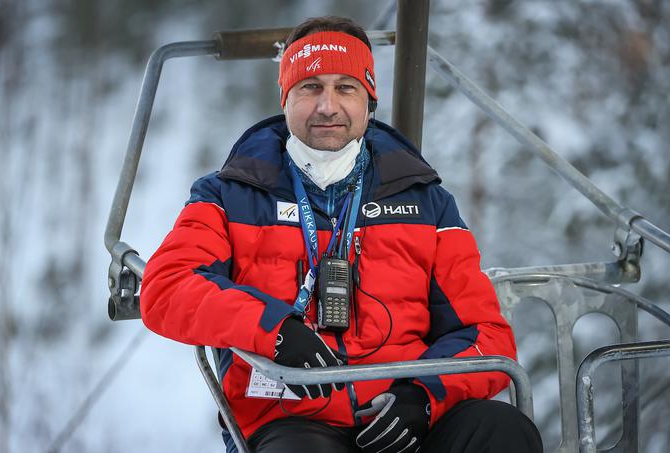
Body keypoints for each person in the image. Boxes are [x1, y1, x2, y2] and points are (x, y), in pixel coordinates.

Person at [140, 16, 543, 453]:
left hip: (404, 418)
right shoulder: (232, 193)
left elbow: (487, 333)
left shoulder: (424, 200)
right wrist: (272, 329)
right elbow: (166, 288)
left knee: (502, 430)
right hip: (295, 419)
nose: (327, 106)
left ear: (369, 100)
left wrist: (424, 396)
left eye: (345, 88)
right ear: (286, 98)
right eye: (310, 87)